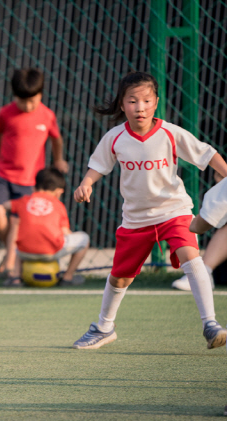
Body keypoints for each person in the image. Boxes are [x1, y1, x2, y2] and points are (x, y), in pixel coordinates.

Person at [72, 71, 227, 350]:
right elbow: (98, 165)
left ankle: (210, 324)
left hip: (174, 210)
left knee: (191, 257)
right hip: (135, 220)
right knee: (121, 276)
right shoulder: (114, 137)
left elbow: (206, 154)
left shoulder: (170, 132)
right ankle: (104, 327)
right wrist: (86, 183)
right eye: (132, 101)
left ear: (156, 102)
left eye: (145, 100)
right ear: (122, 104)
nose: (139, 107)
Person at [0, 68, 68, 281]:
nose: (27, 106)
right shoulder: (5, 113)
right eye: (22, 101)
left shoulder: (47, 115)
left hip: (30, 180)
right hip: (3, 174)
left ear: (40, 94)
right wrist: (0, 156)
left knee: (19, 222)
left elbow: (56, 140)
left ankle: (10, 262)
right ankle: (11, 255)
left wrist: (58, 160)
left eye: (31, 100)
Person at [3, 168, 88, 287]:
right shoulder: (58, 205)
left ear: (34, 187)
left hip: (25, 252)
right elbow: (65, 232)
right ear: (59, 192)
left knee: (19, 239)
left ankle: (16, 278)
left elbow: (4, 205)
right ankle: (67, 278)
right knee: (84, 238)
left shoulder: (24, 201)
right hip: (50, 253)